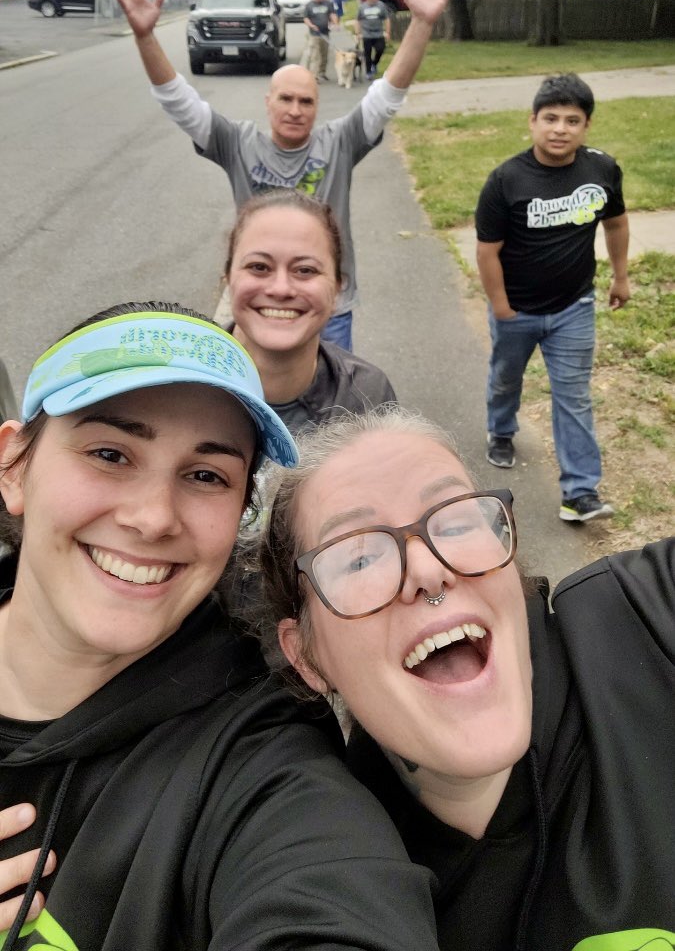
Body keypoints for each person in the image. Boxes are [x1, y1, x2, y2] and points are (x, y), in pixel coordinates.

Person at [0, 307, 440, 951]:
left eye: (206, 476)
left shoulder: (259, 763)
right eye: (110, 453)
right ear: (14, 465)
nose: (153, 518)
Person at [259, 407, 675, 949]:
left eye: (455, 522)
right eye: (359, 559)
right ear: (308, 659)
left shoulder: (644, 618)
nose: (429, 570)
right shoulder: (333, 859)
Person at [111, 0, 463, 354]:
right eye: (286, 99)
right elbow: (178, 101)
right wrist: (144, 36)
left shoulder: (341, 141)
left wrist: (421, 23)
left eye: (306, 101)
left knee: (334, 410)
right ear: (268, 102)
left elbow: (388, 95)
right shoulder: (237, 143)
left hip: (329, 307)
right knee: (258, 409)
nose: (295, 110)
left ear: (317, 106)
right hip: (261, 305)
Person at [475, 72, 630, 522]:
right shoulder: (506, 180)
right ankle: (501, 430)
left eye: (572, 120)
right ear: (533, 122)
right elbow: (488, 251)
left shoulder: (602, 169)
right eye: (551, 118)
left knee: (574, 396)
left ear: (587, 126)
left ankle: (580, 493)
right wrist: (502, 307)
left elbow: (616, 223)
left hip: (574, 309)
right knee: (506, 379)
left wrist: (620, 277)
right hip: (516, 310)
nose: (560, 128)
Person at [224, 189, 396, 435]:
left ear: (337, 289)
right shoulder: (176, 382)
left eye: (305, 270)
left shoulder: (368, 396)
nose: (281, 289)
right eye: (259, 267)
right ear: (227, 278)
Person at [303, 0, 338, 82]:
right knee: (315, 55)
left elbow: (332, 14)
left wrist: (335, 22)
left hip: (325, 33)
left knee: (324, 55)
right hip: (314, 34)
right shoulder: (310, 5)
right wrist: (311, 25)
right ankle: (314, 75)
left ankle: (322, 72)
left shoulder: (328, 4)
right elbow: (306, 18)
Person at [355, 0, 392, 80]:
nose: (370, 0)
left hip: (378, 33)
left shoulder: (381, 6)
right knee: (367, 54)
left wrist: (387, 32)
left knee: (380, 50)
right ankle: (368, 72)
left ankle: (374, 64)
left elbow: (386, 19)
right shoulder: (362, 7)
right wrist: (358, 33)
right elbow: (357, 20)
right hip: (366, 34)